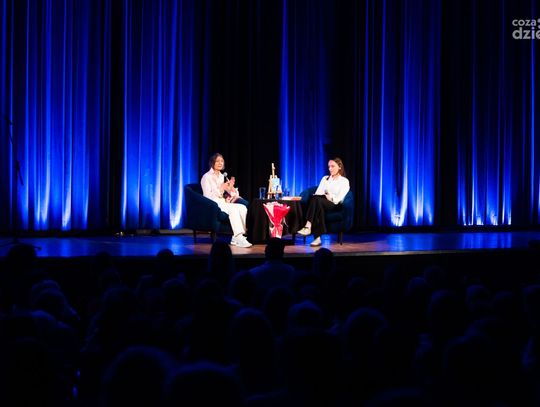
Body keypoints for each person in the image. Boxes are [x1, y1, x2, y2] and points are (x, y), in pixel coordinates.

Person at [201, 153, 252, 248]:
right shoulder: (206, 177)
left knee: (242, 208)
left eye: (222, 161)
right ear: (212, 163)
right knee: (233, 210)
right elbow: (207, 196)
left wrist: (231, 188)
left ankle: (238, 236)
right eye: (217, 161)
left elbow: (228, 194)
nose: (220, 163)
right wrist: (221, 188)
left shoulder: (222, 176)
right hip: (214, 203)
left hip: (223, 202)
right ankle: (238, 236)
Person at [297, 157, 350, 246]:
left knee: (316, 201)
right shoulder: (325, 178)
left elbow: (340, 198)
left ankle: (308, 225)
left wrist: (330, 196)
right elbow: (318, 192)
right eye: (329, 166)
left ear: (339, 167)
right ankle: (317, 239)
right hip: (321, 202)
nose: (330, 169)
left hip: (335, 204)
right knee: (317, 203)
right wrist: (324, 195)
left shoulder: (344, 181)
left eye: (332, 166)